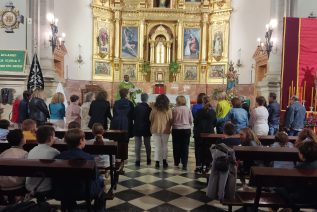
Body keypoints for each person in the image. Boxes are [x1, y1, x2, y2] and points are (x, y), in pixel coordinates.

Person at [53, 128, 106, 211]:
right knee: (101, 181)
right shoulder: (88, 157)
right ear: (81, 141)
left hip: (64, 191)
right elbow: (94, 176)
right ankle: (99, 209)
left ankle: (70, 208)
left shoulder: (59, 156)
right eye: (84, 139)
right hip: (84, 191)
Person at [26, 126, 60, 194]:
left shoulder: (31, 150)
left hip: (29, 186)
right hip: (45, 186)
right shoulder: (54, 152)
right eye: (54, 137)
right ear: (50, 138)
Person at [110, 88, 134, 170]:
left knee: (116, 141)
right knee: (124, 143)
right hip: (126, 124)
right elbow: (131, 116)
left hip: (116, 123)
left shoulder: (116, 102)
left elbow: (114, 113)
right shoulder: (130, 103)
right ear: (126, 94)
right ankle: (122, 164)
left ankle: (117, 161)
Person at [0, 129, 28, 194]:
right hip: (18, 185)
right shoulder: (25, 154)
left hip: (2, 186)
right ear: (22, 140)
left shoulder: (3, 153)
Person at [193, 95, 217, 173]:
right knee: (208, 149)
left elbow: (195, 122)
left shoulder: (199, 111)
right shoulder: (212, 112)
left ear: (203, 102)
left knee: (199, 149)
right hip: (209, 133)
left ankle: (199, 166)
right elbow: (214, 123)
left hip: (199, 132)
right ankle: (207, 165)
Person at [150, 94, 173, 169]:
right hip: (165, 129)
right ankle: (164, 160)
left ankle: (157, 161)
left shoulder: (154, 109)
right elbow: (171, 120)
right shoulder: (168, 109)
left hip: (156, 128)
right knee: (165, 145)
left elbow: (150, 118)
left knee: (157, 146)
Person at [172, 95, 193, 170]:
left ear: (177, 101)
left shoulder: (174, 109)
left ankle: (176, 162)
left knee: (176, 146)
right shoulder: (187, 109)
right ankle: (184, 163)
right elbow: (191, 120)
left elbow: (172, 120)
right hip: (186, 129)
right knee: (185, 147)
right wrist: (188, 125)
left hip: (176, 129)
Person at [133, 93, 152, 166]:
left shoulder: (136, 107)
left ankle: (137, 160)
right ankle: (148, 159)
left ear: (141, 99)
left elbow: (133, 117)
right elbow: (151, 119)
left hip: (137, 127)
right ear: (147, 99)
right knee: (147, 144)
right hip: (146, 128)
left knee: (137, 145)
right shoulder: (149, 108)